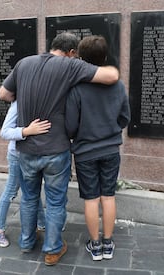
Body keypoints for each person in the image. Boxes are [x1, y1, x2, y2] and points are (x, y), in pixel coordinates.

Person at [0, 32, 119, 266]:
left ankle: (26, 241)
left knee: (29, 198)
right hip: (56, 150)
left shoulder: (24, 63)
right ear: (72, 53)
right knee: (54, 201)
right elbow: (112, 75)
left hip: (26, 150)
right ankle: (52, 249)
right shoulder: (69, 65)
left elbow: (4, 94)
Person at [65, 35, 130, 261]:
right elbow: (125, 118)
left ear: (81, 59)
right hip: (111, 149)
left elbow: (70, 126)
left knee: (91, 199)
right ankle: (108, 243)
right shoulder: (118, 85)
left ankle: (95, 245)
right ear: (105, 57)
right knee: (108, 196)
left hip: (85, 152)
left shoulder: (77, 88)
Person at [0, 100, 51, 247]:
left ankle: (42, 222)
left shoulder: (39, 100)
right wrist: (26, 131)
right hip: (17, 156)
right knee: (11, 191)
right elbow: (4, 132)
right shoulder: (19, 103)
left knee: (31, 190)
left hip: (33, 155)